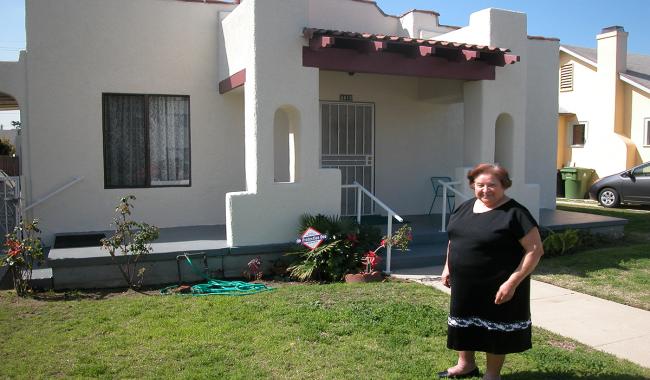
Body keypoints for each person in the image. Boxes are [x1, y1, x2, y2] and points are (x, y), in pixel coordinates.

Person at [438, 163, 544, 380]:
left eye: (491, 185)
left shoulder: (515, 213)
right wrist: (447, 267)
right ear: (472, 185)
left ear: (504, 185)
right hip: (466, 283)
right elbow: (454, 240)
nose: (485, 190)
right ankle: (465, 365)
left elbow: (535, 250)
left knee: (496, 326)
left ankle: (492, 374)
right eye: (480, 185)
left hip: (499, 284)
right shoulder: (464, 207)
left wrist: (512, 282)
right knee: (464, 320)